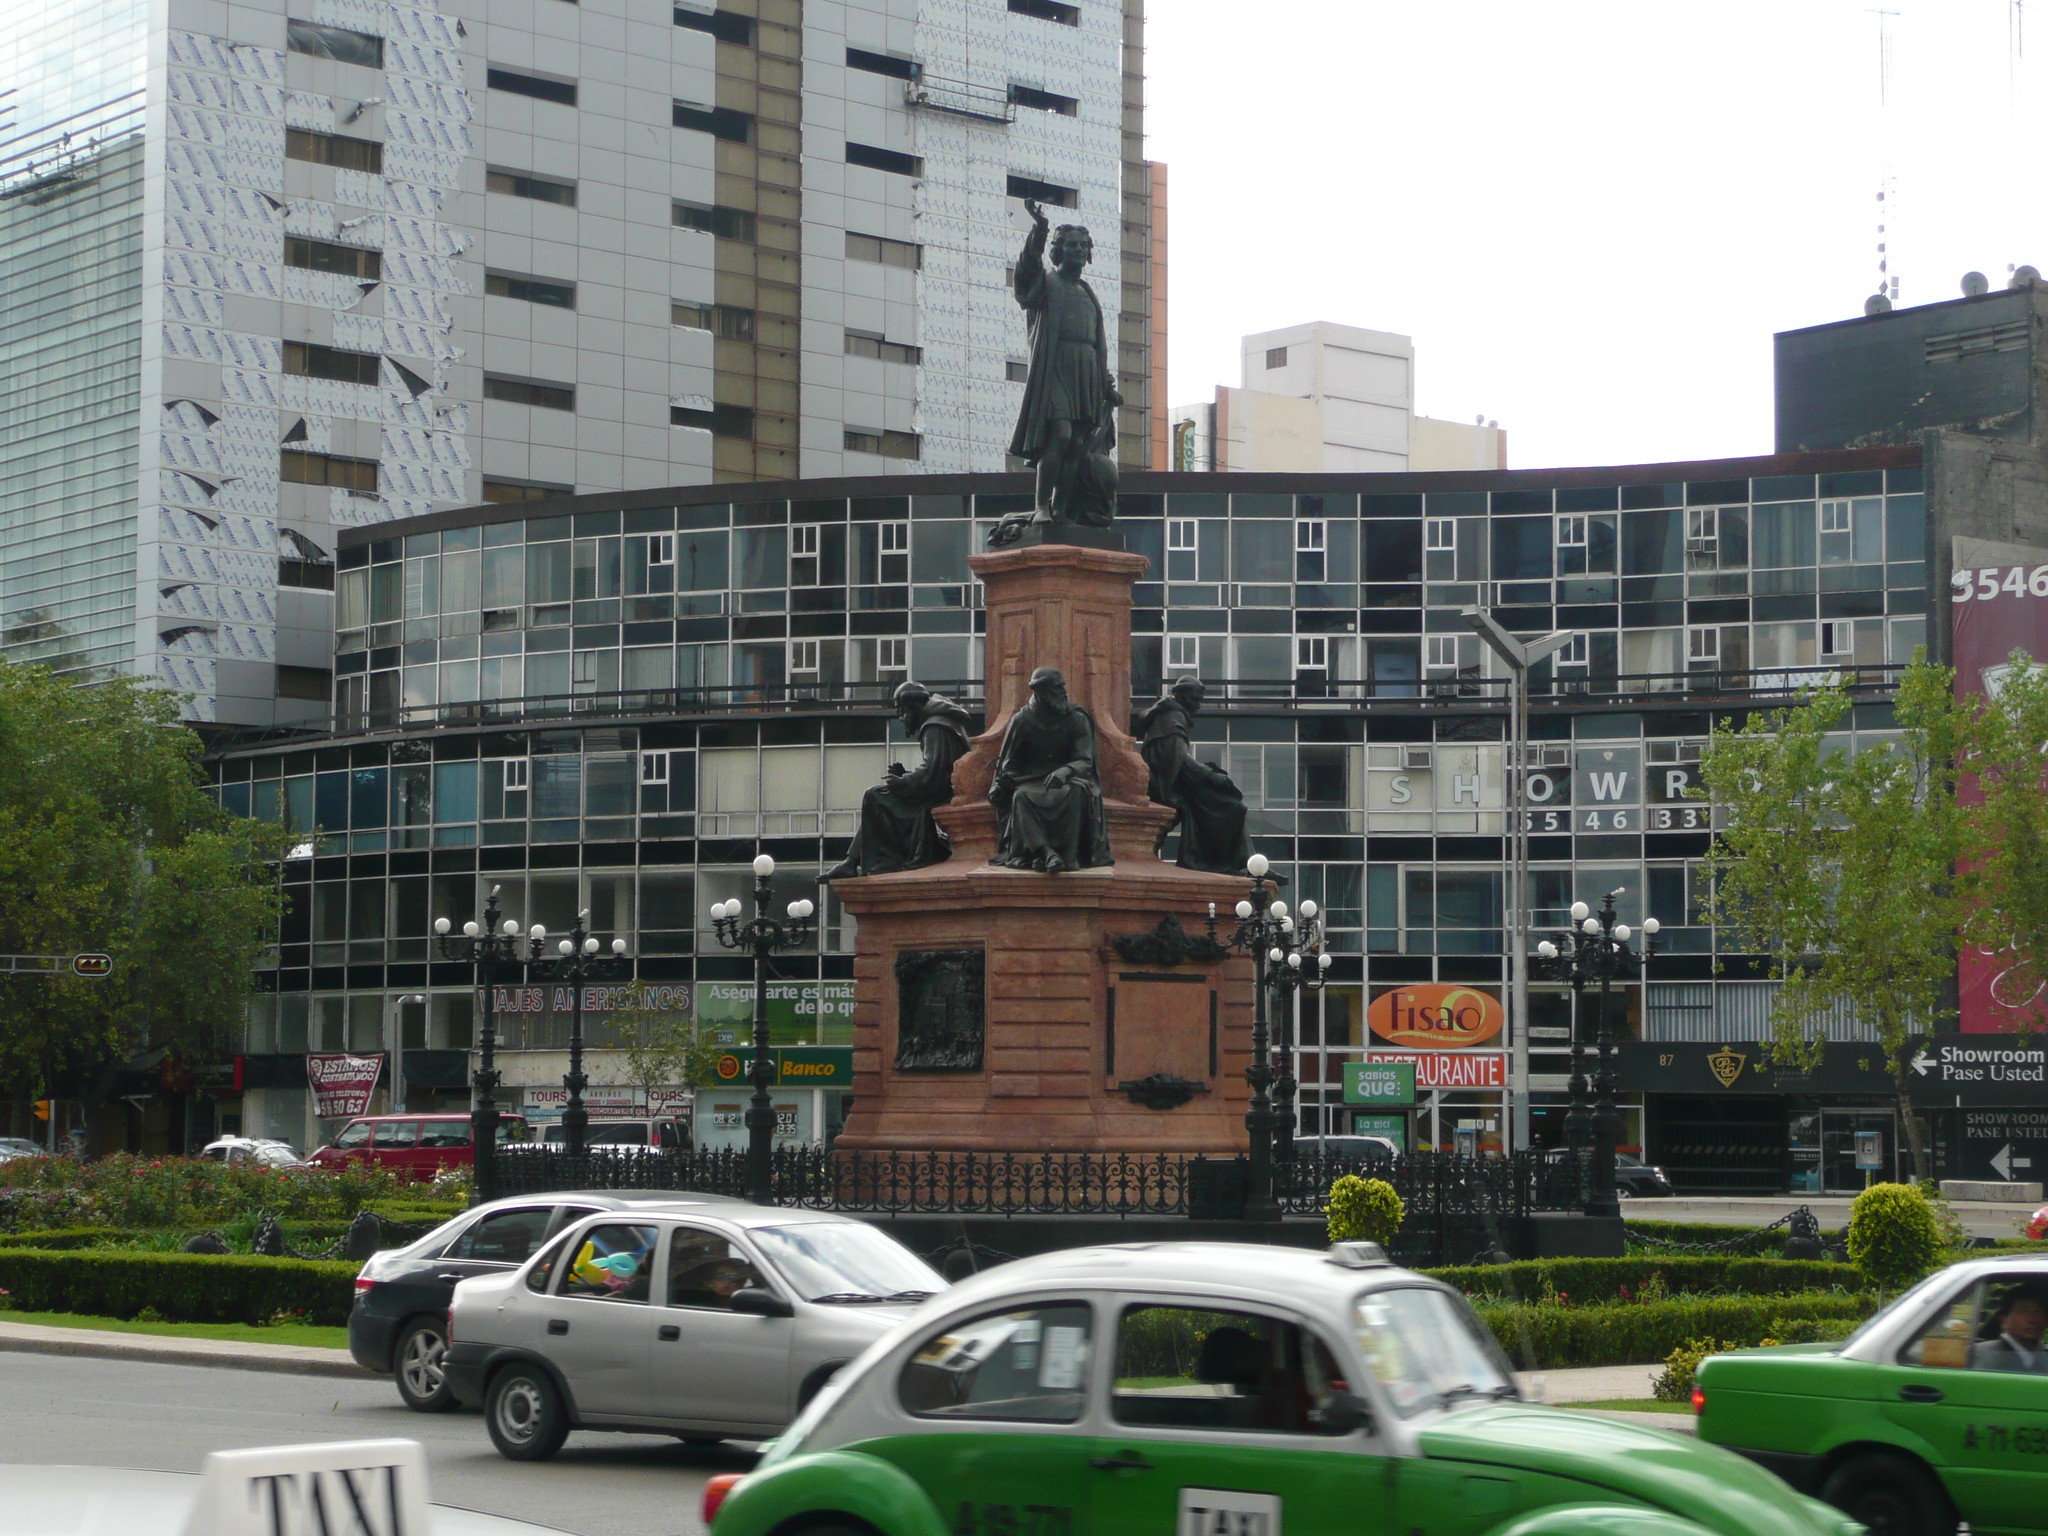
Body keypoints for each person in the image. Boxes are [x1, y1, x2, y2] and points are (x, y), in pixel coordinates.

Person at [1007, 199, 1121, 526]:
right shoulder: (1047, 284)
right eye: (1071, 245)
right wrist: (1040, 231)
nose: (1078, 250)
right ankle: (1042, 506)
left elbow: (1099, 344)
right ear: (1059, 250)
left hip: (1085, 370)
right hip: (1055, 369)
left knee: (1077, 445)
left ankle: (1063, 509)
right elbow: (1026, 273)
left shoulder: (1087, 292)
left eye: (1084, 246)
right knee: (1059, 434)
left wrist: (1106, 384)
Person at [825, 681, 973, 879]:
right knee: (879, 795)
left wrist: (903, 782)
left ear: (913, 708)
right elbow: (937, 768)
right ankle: (852, 861)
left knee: (874, 796)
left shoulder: (935, 726)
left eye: (901, 711)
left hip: (939, 795)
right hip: (940, 789)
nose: (900, 717)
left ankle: (863, 861)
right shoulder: (939, 722)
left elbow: (934, 773)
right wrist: (906, 775)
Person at [990, 667, 1111, 874]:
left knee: (1075, 793)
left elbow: (1084, 760)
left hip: (1069, 778)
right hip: (1031, 779)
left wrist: (1066, 771)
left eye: (1063, 687)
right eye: (1057, 688)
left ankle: (1066, 856)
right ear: (1041, 692)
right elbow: (1010, 763)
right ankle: (1047, 853)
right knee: (1021, 796)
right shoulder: (1022, 721)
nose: (1064, 692)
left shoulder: (1077, 718)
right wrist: (1006, 778)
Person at [1139, 677, 1254, 875]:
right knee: (1231, 805)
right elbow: (1176, 757)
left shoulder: (1174, 714)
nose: (1198, 705)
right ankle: (1220, 862)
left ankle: (1245, 862)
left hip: (1176, 778)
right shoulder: (1173, 716)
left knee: (1232, 803)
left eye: (1200, 699)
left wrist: (1208, 773)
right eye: (1195, 699)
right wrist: (1209, 776)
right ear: (1181, 697)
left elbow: (1177, 756)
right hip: (1168, 785)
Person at [1972, 1283, 2048, 1372]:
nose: (2033, 1320)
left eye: (2038, 1312)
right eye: (2024, 1311)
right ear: (2004, 1320)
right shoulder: (1979, 1355)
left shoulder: (2044, 1356)